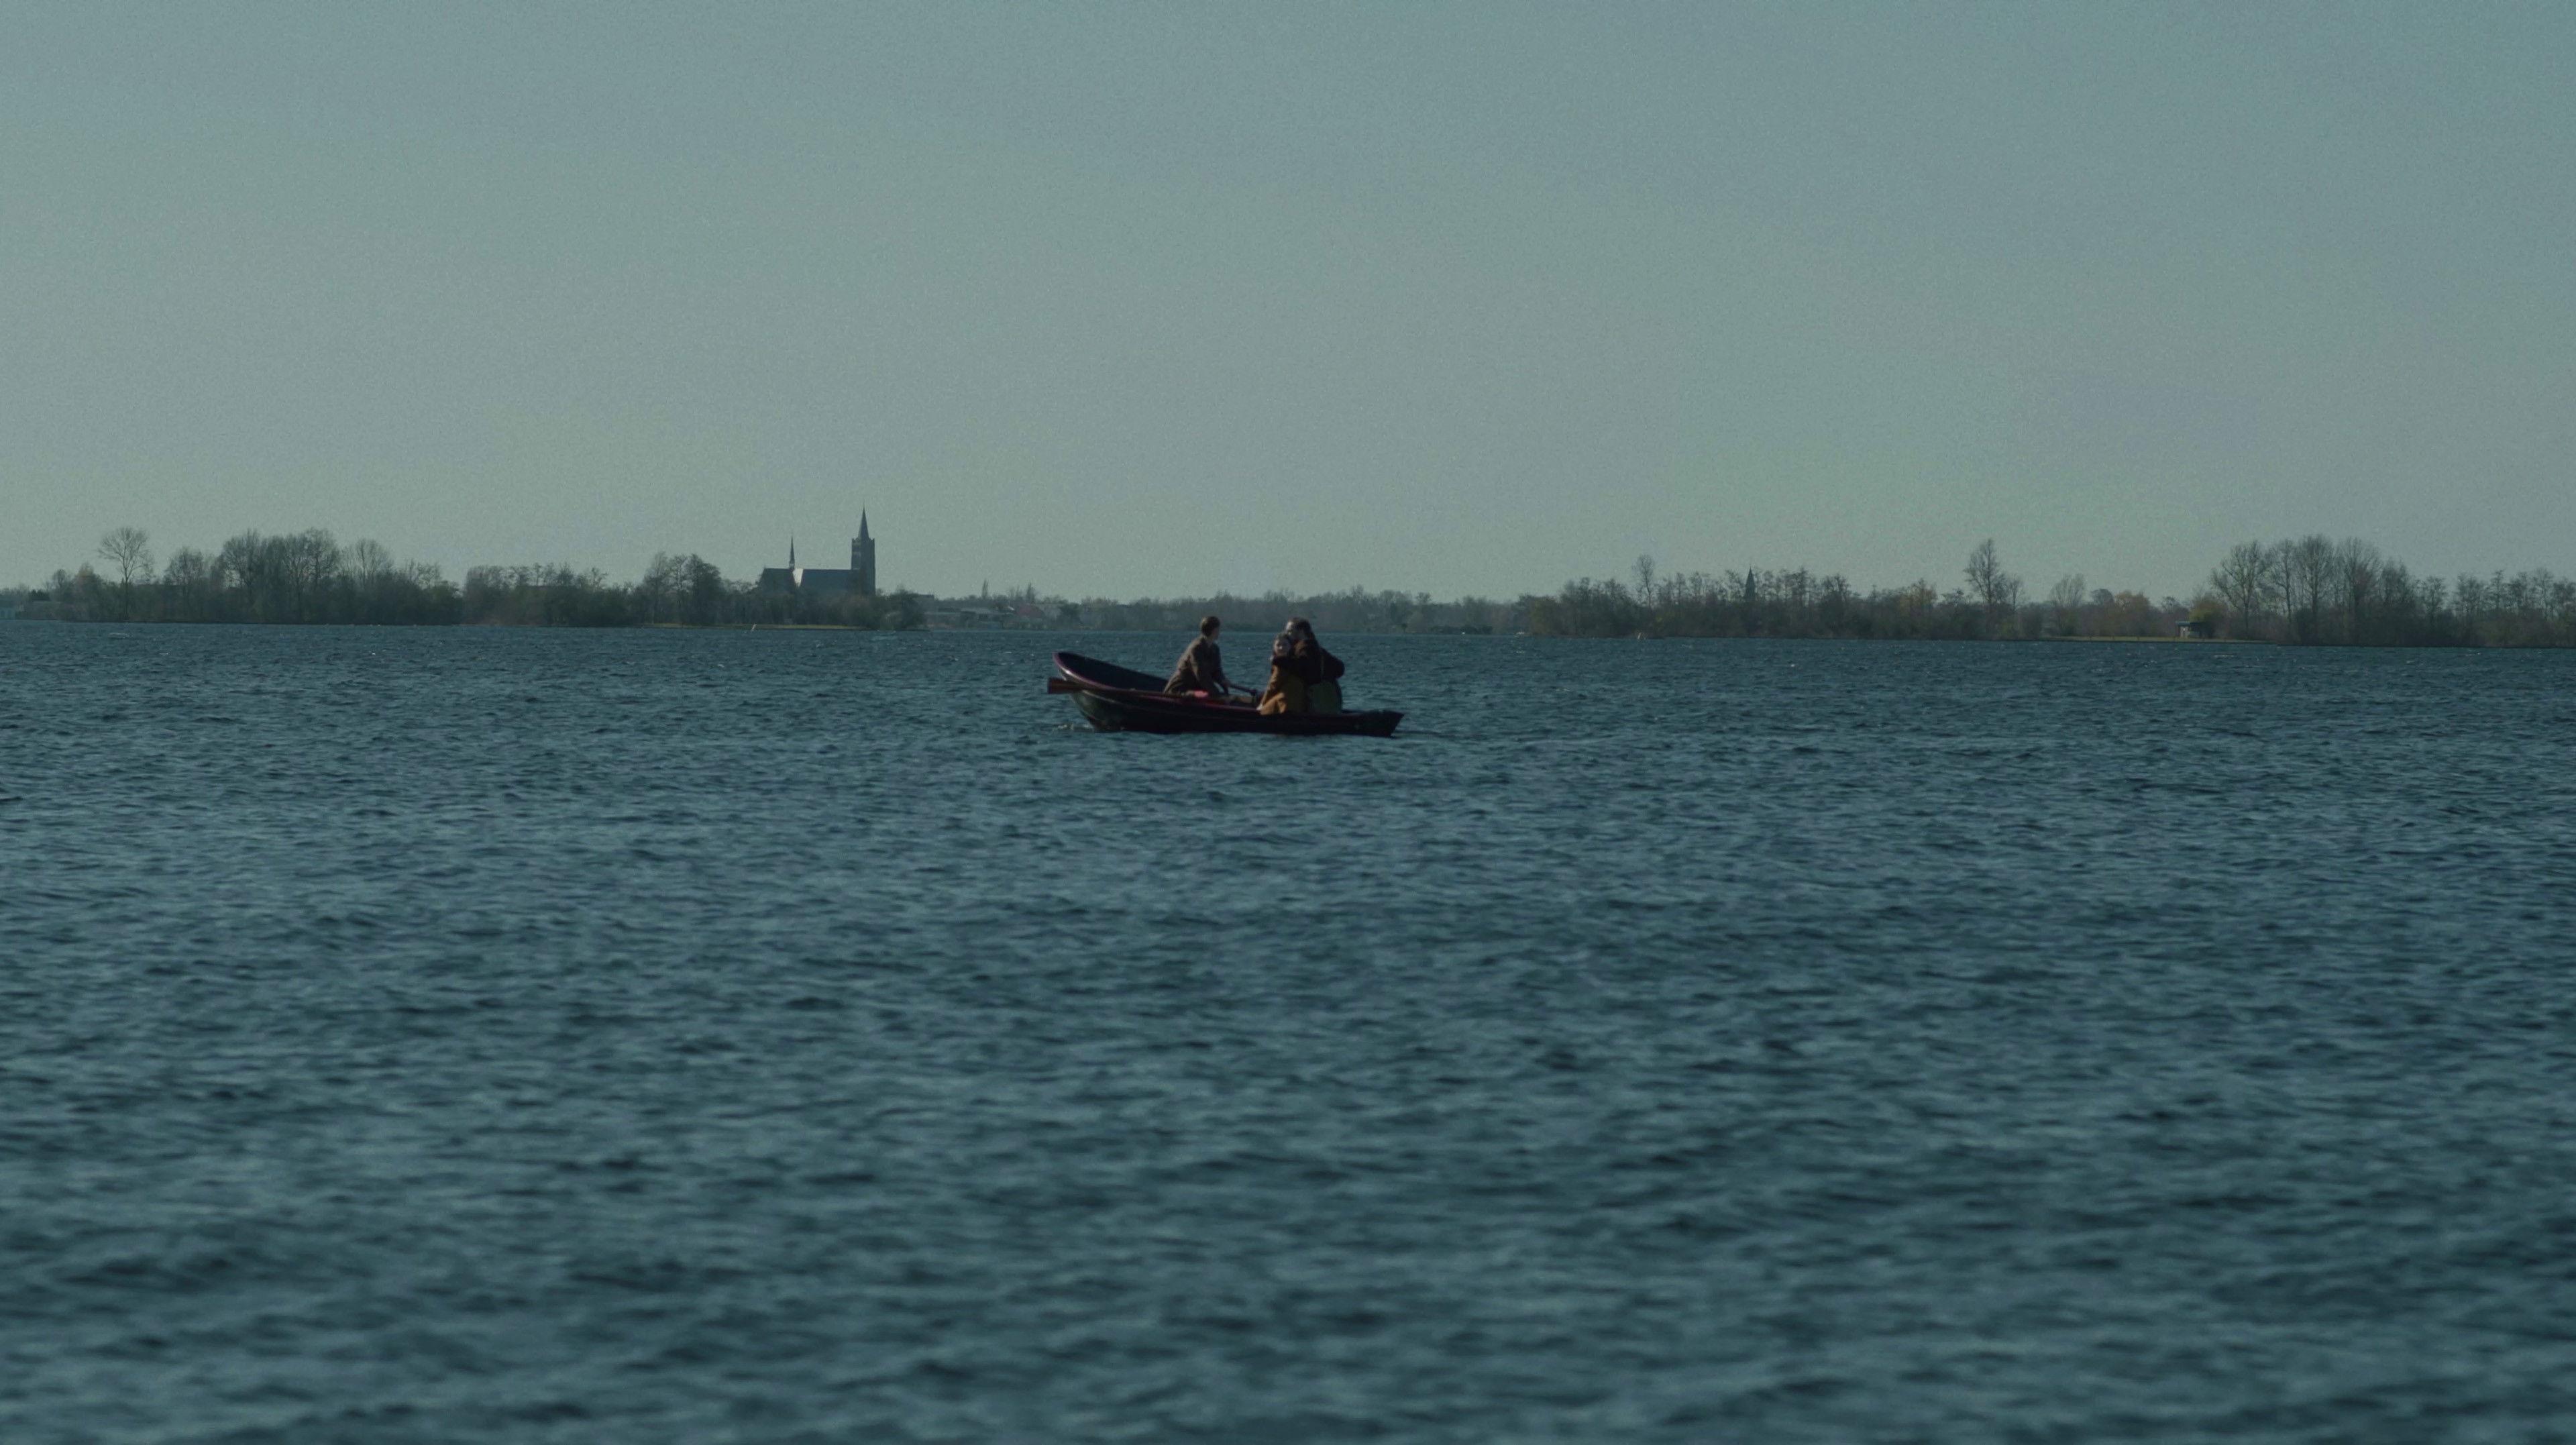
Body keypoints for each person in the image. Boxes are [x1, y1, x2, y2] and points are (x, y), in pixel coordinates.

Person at [1257, 617, 1346, 716]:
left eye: (1290, 631)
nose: (1287, 634)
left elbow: (1302, 666)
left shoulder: (1305, 647)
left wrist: (1277, 660)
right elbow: (1340, 668)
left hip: (1309, 700)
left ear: (1301, 632)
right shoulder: (1315, 647)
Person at [1164, 615, 1239, 697]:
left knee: (1207, 695)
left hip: (1197, 689)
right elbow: (1202, 676)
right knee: (1205, 695)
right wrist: (1218, 696)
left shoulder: (1215, 649)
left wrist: (1223, 680)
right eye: (1219, 629)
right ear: (1214, 630)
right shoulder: (1196, 649)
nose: (1219, 632)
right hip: (1180, 690)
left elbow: (1217, 672)